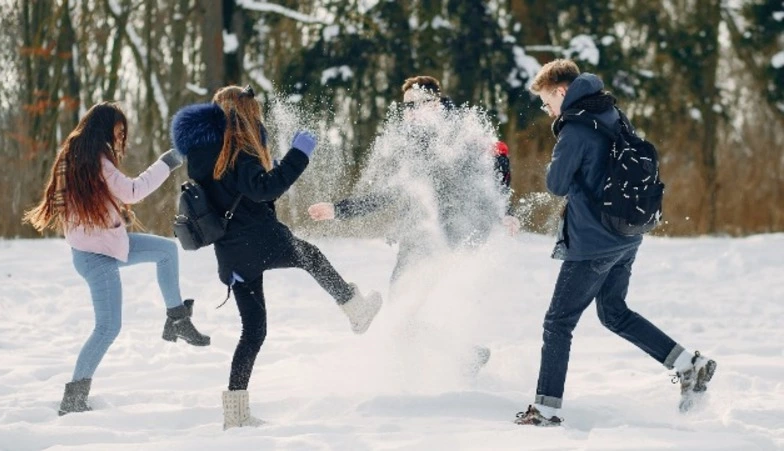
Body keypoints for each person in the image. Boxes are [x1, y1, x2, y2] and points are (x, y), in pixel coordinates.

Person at [514, 59, 716, 426]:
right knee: (614, 312)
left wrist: (557, 159)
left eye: (546, 102)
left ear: (561, 92)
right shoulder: (611, 114)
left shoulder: (575, 129)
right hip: (626, 235)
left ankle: (545, 410)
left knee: (557, 323)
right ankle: (689, 365)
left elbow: (556, 185)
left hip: (593, 243)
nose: (547, 111)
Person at [170, 85, 383, 430]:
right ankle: (355, 309)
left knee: (253, 331)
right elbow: (265, 188)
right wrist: (298, 154)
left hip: (232, 254)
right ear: (246, 112)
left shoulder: (200, 153)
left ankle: (236, 415)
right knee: (312, 257)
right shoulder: (239, 146)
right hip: (262, 237)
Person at [24, 101, 210, 416]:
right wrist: (169, 160)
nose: (121, 136)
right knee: (108, 327)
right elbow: (133, 191)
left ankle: (177, 319)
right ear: (104, 128)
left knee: (166, 251)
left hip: (107, 245)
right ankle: (73, 398)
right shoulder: (95, 160)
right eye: (119, 130)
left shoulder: (75, 156)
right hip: (97, 257)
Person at [309, 75, 518, 286]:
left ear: (434, 103)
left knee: (442, 292)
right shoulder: (409, 143)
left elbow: (494, 166)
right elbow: (391, 192)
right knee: (401, 289)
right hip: (417, 229)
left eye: (415, 104)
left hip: (455, 229)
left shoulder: (461, 132)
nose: (409, 111)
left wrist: (505, 212)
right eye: (406, 105)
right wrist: (338, 210)